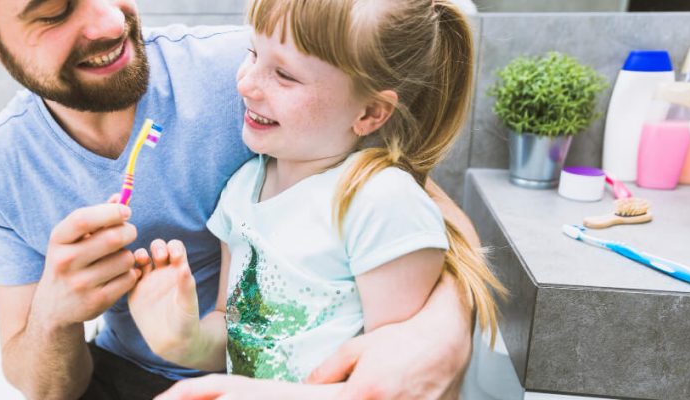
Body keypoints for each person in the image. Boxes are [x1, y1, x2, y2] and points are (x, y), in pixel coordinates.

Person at [0, 0, 484, 398]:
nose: (109, 19)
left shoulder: (247, 68)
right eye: (54, 10)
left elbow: (422, 209)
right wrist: (55, 312)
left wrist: (439, 338)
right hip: (143, 370)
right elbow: (46, 388)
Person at [127, 0, 504, 391]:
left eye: (284, 75)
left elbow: (395, 383)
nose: (245, 83)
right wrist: (183, 339)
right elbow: (236, 332)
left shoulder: (380, 202)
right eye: (253, 53)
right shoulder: (241, 190)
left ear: (370, 113)